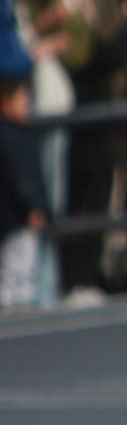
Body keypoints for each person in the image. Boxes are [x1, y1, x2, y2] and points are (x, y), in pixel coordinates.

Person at [0, 74, 47, 309]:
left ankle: (21, 301)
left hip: (17, 213)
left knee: (24, 262)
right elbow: (19, 177)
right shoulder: (9, 137)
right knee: (17, 263)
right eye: (22, 99)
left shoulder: (22, 133)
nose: (27, 104)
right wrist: (31, 206)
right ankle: (13, 304)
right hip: (15, 216)